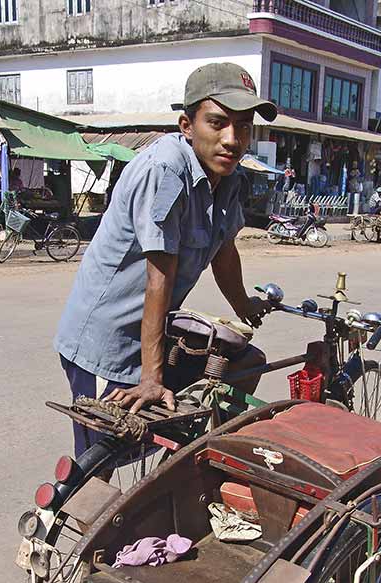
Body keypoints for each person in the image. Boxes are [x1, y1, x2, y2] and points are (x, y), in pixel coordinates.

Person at [54, 62, 277, 457]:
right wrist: (152, 378)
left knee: (245, 363)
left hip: (150, 330)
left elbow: (224, 250)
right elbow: (159, 277)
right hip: (104, 342)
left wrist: (245, 305)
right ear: (187, 126)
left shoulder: (229, 177)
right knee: (102, 460)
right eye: (217, 123)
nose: (232, 140)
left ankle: (190, 466)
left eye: (243, 127)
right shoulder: (165, 169)